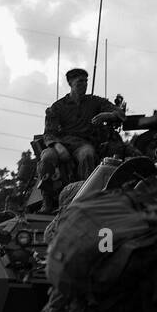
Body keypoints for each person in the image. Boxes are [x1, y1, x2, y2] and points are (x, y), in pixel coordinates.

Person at [37, 68, 119, 210]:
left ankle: (85, 196)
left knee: (87, 154)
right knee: (47, 157)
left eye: (86, 81)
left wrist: (107, 115)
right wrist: (57, 146)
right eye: (80, 82)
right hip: (61, 143)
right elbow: (49, 133)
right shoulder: (58, 107)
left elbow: (118, 112)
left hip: (83, 144)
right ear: (70, 83)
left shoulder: (95, 102)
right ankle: (47, 200)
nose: (84, 84)